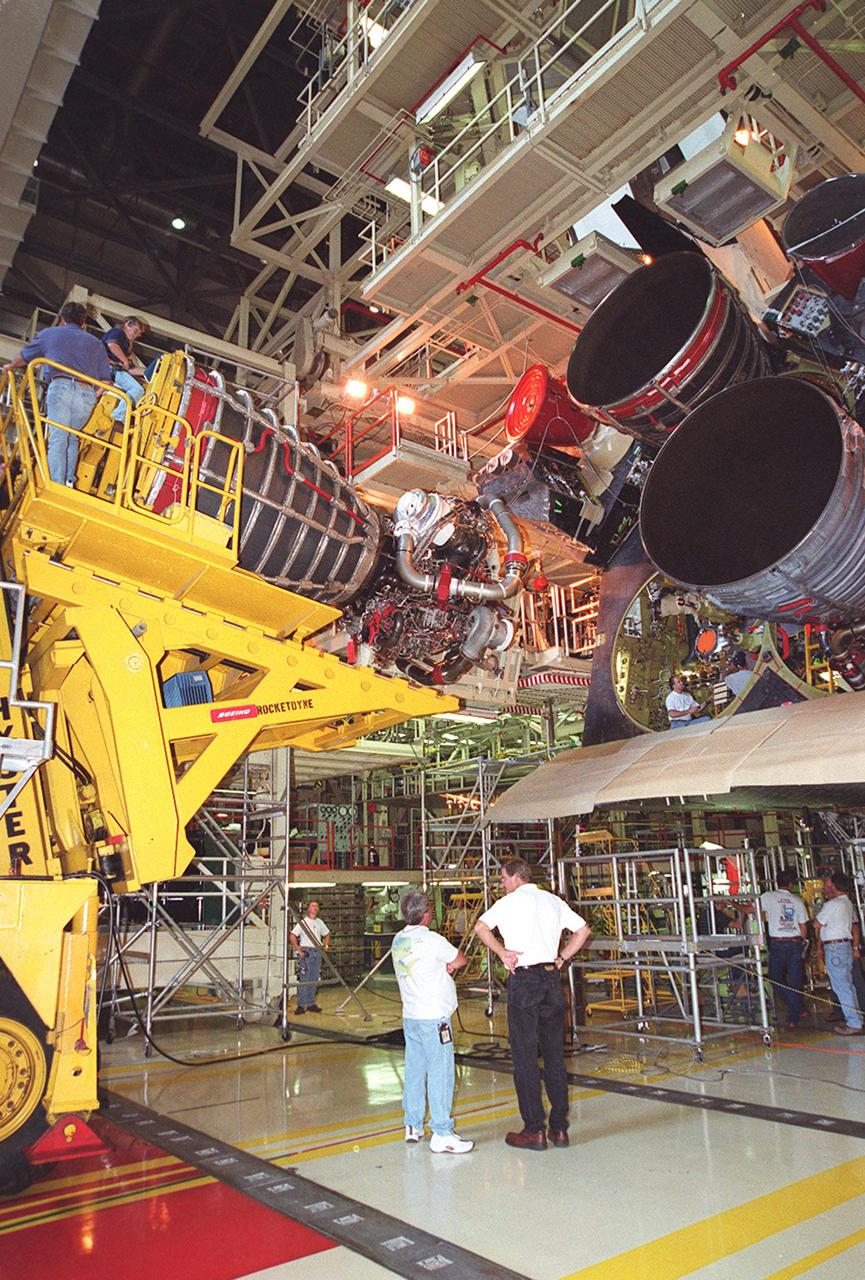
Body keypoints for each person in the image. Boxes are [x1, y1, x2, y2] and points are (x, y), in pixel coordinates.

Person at [474, 858, 590, 1151]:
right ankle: (559, 1129)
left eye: (503, 879)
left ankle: (533, 1129)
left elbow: (480, 927)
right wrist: (561, 959)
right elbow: (583, 930)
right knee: (554, 1057)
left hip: (524, 981)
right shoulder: (552, 901)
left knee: (525, 1057)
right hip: (551, 980)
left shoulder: (509, 902)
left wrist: (502, 952)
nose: (502, 884)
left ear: (515, 878)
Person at [392, 890, 473, 1154]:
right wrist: (448, 966)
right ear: (426, 914)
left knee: (415, 1070)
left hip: (411, 1016)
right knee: (441, 1072)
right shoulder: (433, 940)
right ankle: (441, 1132)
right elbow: (460, 959)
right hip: (434, 1020)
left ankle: (413, 1125)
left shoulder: (398, 940)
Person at [3, 302, 111, 486]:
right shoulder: (96, 343)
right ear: (83, 322)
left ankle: (56, 485)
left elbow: (24, 357)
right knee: (72, 437)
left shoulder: (50, 334)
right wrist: (94, 395)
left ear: (62, 318)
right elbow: (106, 381)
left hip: (60, 387)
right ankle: (69, 480)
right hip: (87, 394)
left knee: (59, 438)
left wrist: (9, 367)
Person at [758, 869, 809, 1030]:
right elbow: (803, 927)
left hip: (777, 943)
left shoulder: (768, 897)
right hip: (794, 943)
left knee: (774, 978)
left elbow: (751, 909)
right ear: (791, 884)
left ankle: (794, 1013)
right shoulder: (797, 901)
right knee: (795, 980)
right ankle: (796, 1009)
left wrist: (734, 903)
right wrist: (803, 944)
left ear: (776, 881)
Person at [814, 871, 863, 1035]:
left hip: (835, 948)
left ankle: (854, 1022)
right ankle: (857, 1019)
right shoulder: (847, 903)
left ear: (835, 886)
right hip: (845, 947)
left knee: (841, 986)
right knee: (848, 985)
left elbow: (817, 923)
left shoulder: (833, 904)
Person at [101, 316, 147, 423]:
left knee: (134, 392)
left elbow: (128, 369)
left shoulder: (126, 346)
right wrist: (124, 360)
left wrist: (146, 372)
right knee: (137, 390)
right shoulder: (118, 332)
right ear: (127, 325)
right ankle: (118, 417)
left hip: (112, 370)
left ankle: (119, 415)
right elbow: (112, 344)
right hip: (108, 367)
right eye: (135, 331)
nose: (136, 336)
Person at [291, 900, 330, 1014]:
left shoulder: (320, 922)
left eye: (317, 906)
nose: (315, 908)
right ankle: (301, 1005)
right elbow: (293, 935)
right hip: (306, 952)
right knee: (304, 979)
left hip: (317, 952)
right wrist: (298, 949)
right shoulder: (303, 922)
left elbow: (327, 934)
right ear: (308, 909)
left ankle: (311, 1003)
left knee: (314, 978)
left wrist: (326, 946)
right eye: (313, 906)